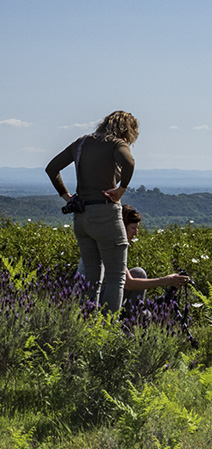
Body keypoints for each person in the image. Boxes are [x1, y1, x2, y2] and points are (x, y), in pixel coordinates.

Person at [46, 111, 138, 312]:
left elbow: (51, 168)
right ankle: (108, 332)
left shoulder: (81, 143)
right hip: (105, 215)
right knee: (115, 277)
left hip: (81, 217)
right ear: (128, 130)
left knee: (92, 279)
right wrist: (121, 189)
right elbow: (129, 163)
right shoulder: (116, 144)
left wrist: (67, 196)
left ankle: (88, 327)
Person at [120, 205, 192, 305]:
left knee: (138, 273)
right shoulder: (113, 247)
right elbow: (128, 284)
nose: (136, 233)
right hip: (102, 298)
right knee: (138, 274)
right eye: (133, 228)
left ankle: (133, 313)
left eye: (137, 228)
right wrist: (165, 281)